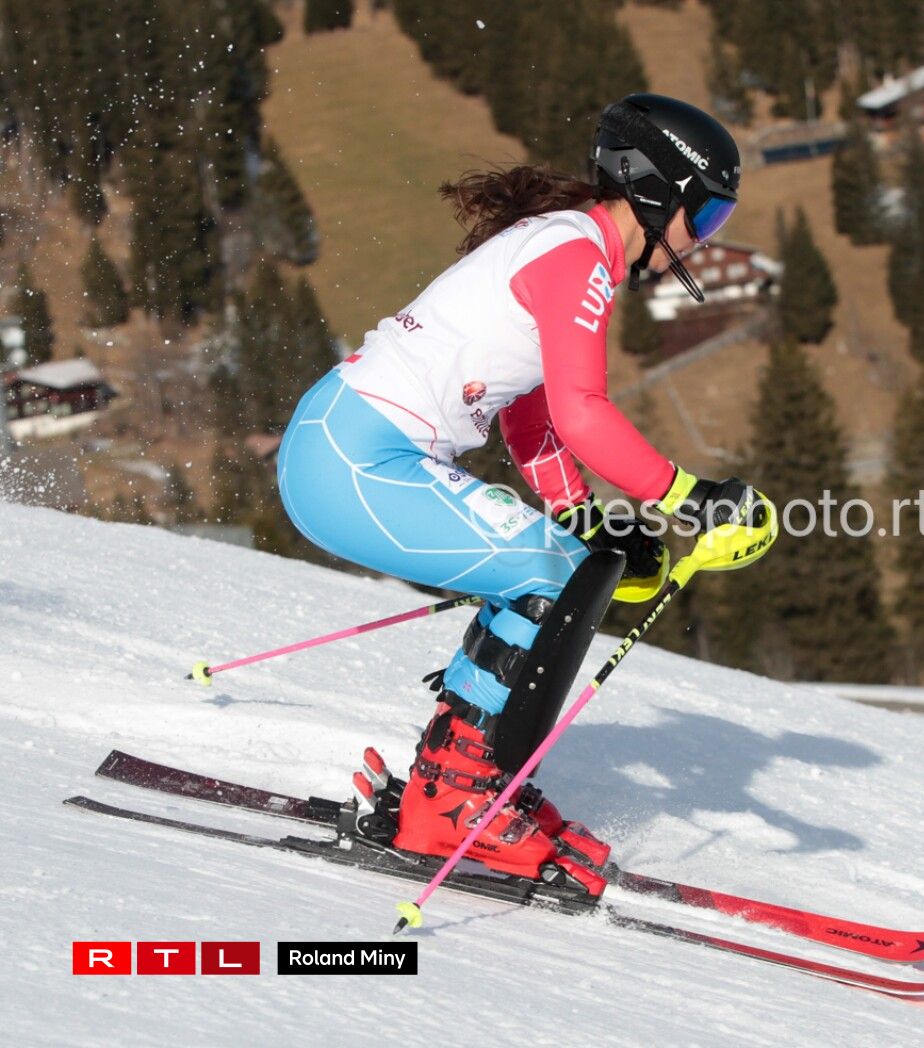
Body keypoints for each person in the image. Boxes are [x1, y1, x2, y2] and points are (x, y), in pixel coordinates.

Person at [276, 94, 765, 897]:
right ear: (655, 191)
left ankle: (457, 778)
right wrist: (692, 497)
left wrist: (583, 518)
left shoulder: (570, 246)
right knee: (548, 573)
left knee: (558, 564)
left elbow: (532, 420)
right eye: (705, 215)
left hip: (348, 450)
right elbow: (583, 413)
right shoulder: (577, 257)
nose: (704, 238)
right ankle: (455, 798)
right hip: (354, 460)